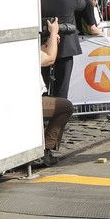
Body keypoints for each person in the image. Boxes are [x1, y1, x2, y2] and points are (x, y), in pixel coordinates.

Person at [39, 0, 92, 99]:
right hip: (66, 46)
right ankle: (60, 109)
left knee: (43, 86)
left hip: (44, 46)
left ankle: (45, 108)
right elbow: (83, 4)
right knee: (62, 87)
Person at [37, 18, 75, 167]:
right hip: (31, 103)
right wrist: (53, 33)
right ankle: (45, 150)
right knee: (66, 106)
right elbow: (49, 59)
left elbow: (41, 54)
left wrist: (50, 42)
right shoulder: (24, 48)